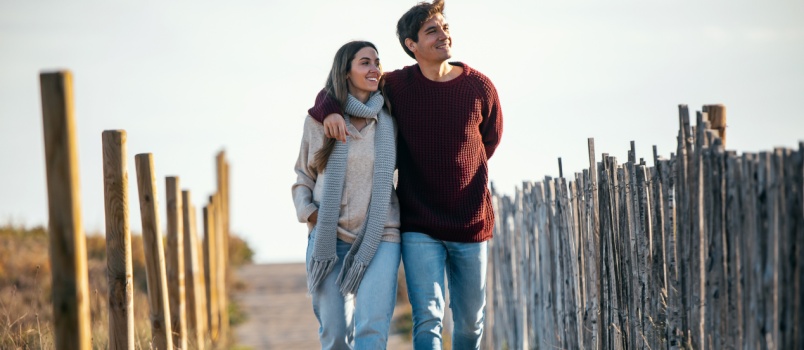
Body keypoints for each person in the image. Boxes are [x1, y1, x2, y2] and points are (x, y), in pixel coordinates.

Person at [306, 1, 503, 349]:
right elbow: (341, 87)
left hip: (470, 222)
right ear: (411, 45)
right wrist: (329, 110)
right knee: (427, 318)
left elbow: (489, 140)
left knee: (472, 323)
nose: (444, 35)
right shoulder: (396, 86)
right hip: (419, 224)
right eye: (432, 31)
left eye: (444, 27)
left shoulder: (480, 88)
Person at [292, 40, 401, 350]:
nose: (374, 68)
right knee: (336, 335)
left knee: (372, 332)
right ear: (346, 71)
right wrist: (310, 214)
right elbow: (303, 175)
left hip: (382, 236)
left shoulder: (391, 120)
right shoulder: (319, 121)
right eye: (365, 62)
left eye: (377, 62)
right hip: (330, 237)